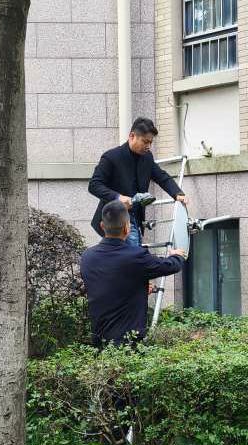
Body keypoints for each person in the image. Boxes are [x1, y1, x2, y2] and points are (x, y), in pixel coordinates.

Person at [80, 199, 187, 349]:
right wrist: (177, 256)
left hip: (98, 342)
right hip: (129, 344)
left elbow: (108, 285)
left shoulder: (87, 257)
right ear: (127, 228)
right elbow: (169, 266)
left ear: (102, 226)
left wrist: (138, 289)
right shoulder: (136, 256)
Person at [88, 117, 188, 246]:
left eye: (150, 142)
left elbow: (161, 176)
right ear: (132, 136)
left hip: (136, 220)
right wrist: (117, 197)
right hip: (114, 220)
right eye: (145, 142)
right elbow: (94, 185)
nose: (148, 146)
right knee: (132, 255)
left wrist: (177, 193)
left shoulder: (147, 157)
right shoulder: (111, 157)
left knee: (130, 255)